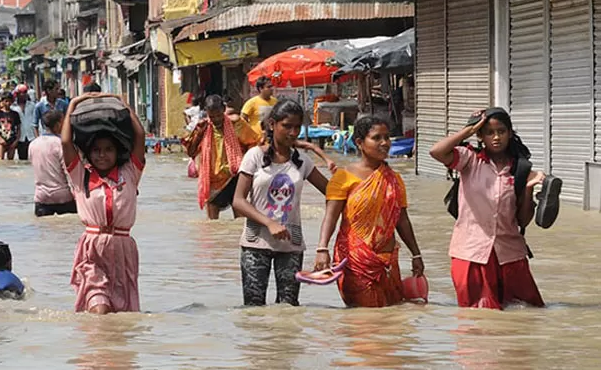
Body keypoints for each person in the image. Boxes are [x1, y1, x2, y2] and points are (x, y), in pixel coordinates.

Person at [429, 108, 546, 310]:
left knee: (525, 312)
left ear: (510, 133)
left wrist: (528, 189)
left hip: (510, 254)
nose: (496, 137)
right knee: (475, 318)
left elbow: (523, 220)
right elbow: (436, 151)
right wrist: (467, 129)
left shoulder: (520, 169)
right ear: (480, 136)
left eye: (501, 131)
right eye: (489, 133)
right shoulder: (469, 160)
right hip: (470, 253)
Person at [315, 116, 425, 308]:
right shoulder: (343, 177)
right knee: (364, 325)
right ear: (359, 143)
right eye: (377, 138)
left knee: (392, 323)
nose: (385, 143)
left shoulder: (394, 179)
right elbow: (330, 217)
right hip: (356, 262)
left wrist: (416, 254)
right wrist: (322, 249)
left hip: (389, 260)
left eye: (387, 137)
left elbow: (402, 220)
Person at [232, 99, 329, 306]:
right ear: (272, 124)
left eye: (297, 127)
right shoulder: (255, 157)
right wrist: (269, 222)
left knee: (288, 309)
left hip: (291, 245)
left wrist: (324, 245)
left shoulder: (302, 161)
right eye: (287, 126)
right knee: (253, 310)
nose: (293, 132)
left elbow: (332, 194)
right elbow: (238, 201)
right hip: (255, 243)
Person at [61, 92, 146, 314]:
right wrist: (72, 106)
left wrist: (124, 104)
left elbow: (140, 138)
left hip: (123, 249)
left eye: (108, 150)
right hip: (92, 249)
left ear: (117, 153)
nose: (102, 155)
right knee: (99, 308)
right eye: (97, 151)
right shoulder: (81, 176)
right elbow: (65, 142)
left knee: (122, 312)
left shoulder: (129, 173)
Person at [187, 95, 260, 220]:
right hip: (211, 179)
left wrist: (249, 166)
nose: (216, 119)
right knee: (212, 223)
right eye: (212, 116)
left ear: (224, 110)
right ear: (207, 113)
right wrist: (199, 135)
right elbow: (191, 151)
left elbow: (254, 142)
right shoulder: (203, 127)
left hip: (234, 176)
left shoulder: (236, 124)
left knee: (239, 218)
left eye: (219, 115)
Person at [29, 110, 76, 217]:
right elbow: (69, 170)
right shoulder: (61, 144)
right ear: (58, 124)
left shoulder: (33, 144)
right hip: (63, 197)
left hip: (41, 197)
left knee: (44, 231)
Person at [0, 92, 22, 161]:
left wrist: (16, 141)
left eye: (10, 101)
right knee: (0, 160)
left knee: (11, 161)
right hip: (1, 141)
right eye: (6, 101)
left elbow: (19, 129)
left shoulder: (15, 114)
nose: (8, 103)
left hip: (12, 141)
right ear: (2, 102)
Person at [11, 85, 36, 161]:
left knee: (34, 160)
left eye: (25, 92)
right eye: (22, 92)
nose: (24, 94)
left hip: (32, 136)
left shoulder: (32, 105)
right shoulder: (13, 107)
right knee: (22, 160)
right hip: (20, 138)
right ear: (17, 94)